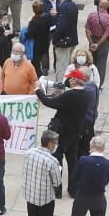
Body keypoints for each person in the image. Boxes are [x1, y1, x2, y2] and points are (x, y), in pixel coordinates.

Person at [36, 68, 94, 196]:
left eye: (70, 78)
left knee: (57, 160)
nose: (68, 80)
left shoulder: (70, 95)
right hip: (75, 133)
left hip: (62, 133)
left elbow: (48, 102)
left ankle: (57, 190)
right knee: (72, 161)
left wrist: (38, 91)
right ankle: (73, 190)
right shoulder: (86, 94)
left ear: (74, 80)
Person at [21, 130, 63, 216]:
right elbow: (57, 182)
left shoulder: (29, 153)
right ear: (50, 143)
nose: (55, 145)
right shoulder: (52, 161)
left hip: (30, 194)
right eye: (55, 143)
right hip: (45, 198)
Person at [84, 0, 109, 87]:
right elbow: (107, 34)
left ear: (99, 5)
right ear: (107, 7)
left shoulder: (92, 15)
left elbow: (87, 29)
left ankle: (88, 81)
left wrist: (91, 42)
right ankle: (98, 85)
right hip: (103, 43)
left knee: (90, 62)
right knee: (101, 64)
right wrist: (98, 44)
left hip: (92, 39)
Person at [50, 0, 80, 78]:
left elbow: (61, 26)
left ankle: (60, 86)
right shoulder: (74, 5)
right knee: (70, 65)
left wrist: (54, 40)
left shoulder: (62, 7)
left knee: (62, 66)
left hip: (63, 42)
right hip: (72, 39)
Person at [25, 0, 52, 77]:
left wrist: (24, 33)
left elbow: (29, 34)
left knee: (35, 65)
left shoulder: (34, 22)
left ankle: (40, 78)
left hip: (36, 46)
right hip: (44, 43)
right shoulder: (46, 18)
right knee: (41, 60)